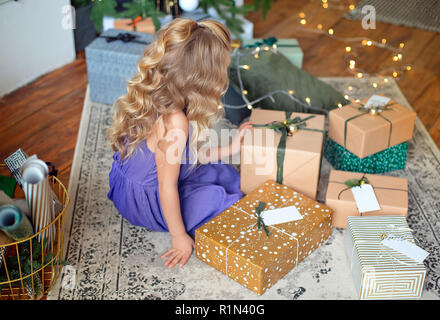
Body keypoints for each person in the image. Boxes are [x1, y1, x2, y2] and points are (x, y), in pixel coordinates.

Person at [106, 18, 252, 269]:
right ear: (205, 78)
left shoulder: (155, 87)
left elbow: (183, 156)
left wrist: (229, 149)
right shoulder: (175, 123)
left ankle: (219, 173)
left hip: (132, 182)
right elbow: (166, 187)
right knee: (223, 199)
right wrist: (179, 237)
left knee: (222, 171)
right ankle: (186, 222)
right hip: (144, 201)